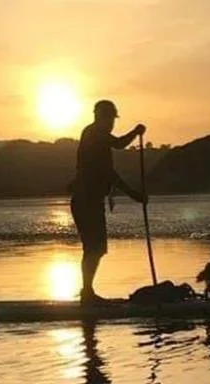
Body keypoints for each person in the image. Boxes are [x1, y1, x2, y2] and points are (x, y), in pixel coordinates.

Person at [69, 99, 147, 304]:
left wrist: (134, 133)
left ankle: (87, 292)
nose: (112, 124)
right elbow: (112, 167)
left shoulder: (98, 135)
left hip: (92, 201)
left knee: (97, 248)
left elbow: (117, 146)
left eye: (113, 120)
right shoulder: (94, 134)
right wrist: (134, 195)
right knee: (93, 248)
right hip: (85, 201)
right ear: (100, 117)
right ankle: (87, 294)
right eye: (110, 119)